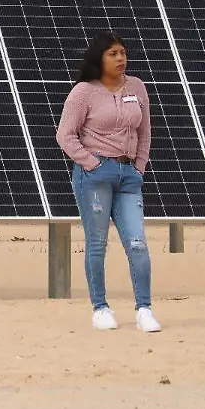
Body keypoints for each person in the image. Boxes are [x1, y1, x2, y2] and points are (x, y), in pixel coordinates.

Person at [55, 31, 161, 332]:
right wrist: (92, 164)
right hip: (95, 176)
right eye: (113, 54)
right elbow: (65, 135)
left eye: (123, 52)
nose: (120, 58)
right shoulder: (84, 92)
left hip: (129, 175)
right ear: (99, 58)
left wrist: (139, 167)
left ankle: (144, 309)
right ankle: (100, 308)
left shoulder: (137, 87)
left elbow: (144, 132)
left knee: (137, 243)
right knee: (97, 243)